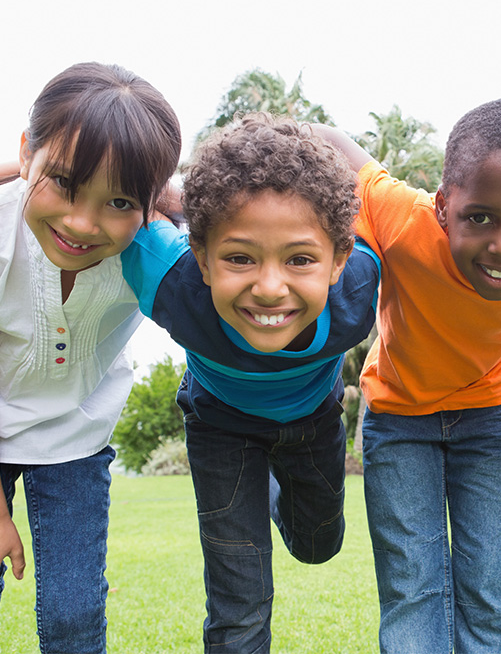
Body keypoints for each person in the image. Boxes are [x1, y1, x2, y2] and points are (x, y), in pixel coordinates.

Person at [316, 99, 501, 653]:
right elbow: (333, 140)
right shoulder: (403, 220)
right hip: (399, 421)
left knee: (489, 586)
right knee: (410, 585)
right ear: (444, 206)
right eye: (480, 217)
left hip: (487, 423)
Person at [0, 62, 181, 652]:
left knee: (71, 618)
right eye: (62, 183)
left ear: (149, 202)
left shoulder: (160, 250)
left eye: (116, 201)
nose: (82, 223)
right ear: (24, 155)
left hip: (73, 434)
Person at [119, 113, 380, 653]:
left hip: (312, 423)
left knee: (318, 545)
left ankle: (269, 490)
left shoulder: (357, 292)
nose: (269, 288)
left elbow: (414, 216)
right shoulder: (172, 283)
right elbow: (88, 182)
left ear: (338, 262)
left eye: (300, 259)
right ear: (202, 259)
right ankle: (246, 493)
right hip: (221, 427)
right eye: (239, 258)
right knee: (239, 599)